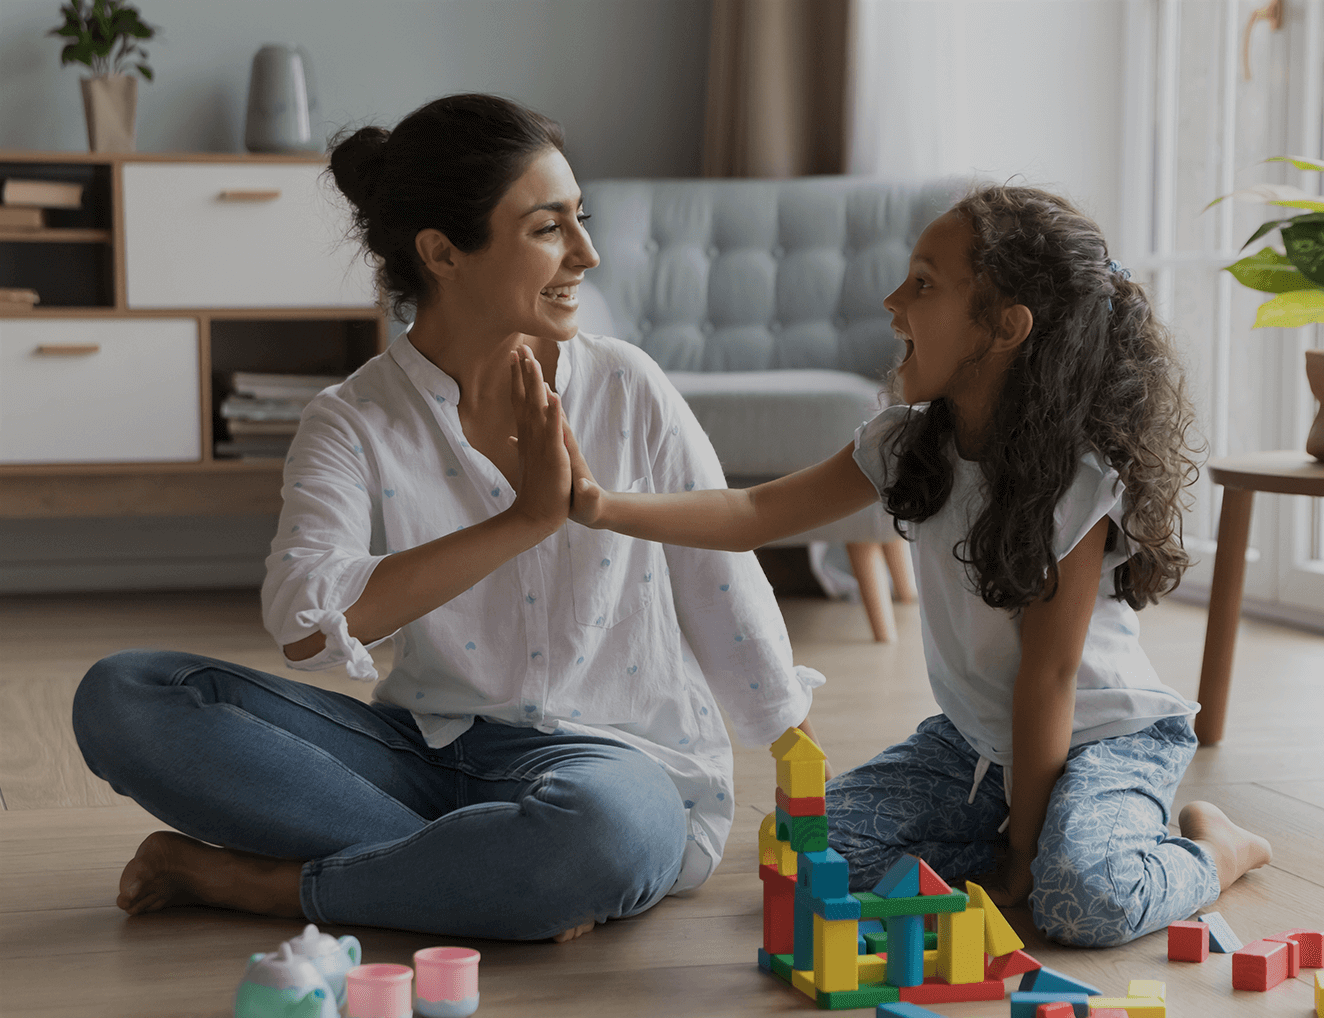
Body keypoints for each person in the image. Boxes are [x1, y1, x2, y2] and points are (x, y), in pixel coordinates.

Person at [71, 93, 821, 942]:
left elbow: (717, 575)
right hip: (418, 756)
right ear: (441, 251)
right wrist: (523, 521)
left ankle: (281, 886)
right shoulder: (351, 420)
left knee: (608, 833)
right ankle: (490, 874)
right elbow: (306, 626)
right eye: (549, 228)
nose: (588, 253)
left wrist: (794, 751)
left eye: (582, 219)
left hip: (609, 767)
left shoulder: (625, 386)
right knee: (125, 695)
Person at [559, 183, 1272, 947]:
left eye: (924, 284)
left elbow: (1049, 680)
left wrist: (1026, 860)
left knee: (1078, 903)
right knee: (801, 856)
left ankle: (1213, 847)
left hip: (1100, 738)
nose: (894, 301)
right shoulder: (902, 441)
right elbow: (752, 515)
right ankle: (1039, 837)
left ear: (1005, 327)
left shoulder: (1076, 480)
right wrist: (599, 504)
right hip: (973, 745)